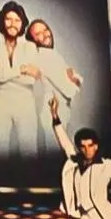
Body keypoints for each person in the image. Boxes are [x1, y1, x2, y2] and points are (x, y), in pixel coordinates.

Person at [0, 0, 41, 158]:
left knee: (29, 151)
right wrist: (21, 69)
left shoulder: (30, 47)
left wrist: (3, 74)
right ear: (2, 21)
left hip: (25, 102)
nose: (12, 24)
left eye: (17, 20)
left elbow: (30, 80)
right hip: (1, 102)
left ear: (22, 23)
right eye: (8, 19)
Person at [27, 18, 83, 157]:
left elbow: (76, 76)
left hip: (60, 112)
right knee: (58, 157)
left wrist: (74, 79)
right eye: (38, 33)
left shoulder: (53, 54)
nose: (45, 34)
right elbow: (69, 90)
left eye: (45, 29)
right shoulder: (44, 57)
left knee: (62, 157)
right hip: (53, 113)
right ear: (33, 40)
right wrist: (74, 81)